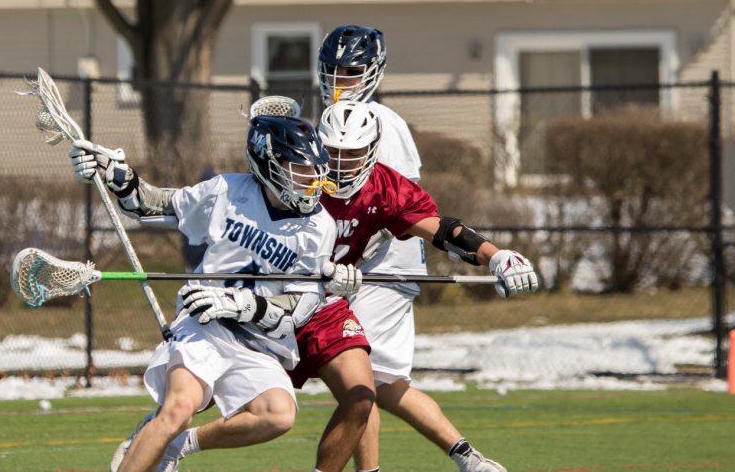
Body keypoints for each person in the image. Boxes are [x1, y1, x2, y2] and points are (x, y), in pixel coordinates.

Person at [177, 99, 538, 472]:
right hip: (268, 304)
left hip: (324, 308)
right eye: (332, 151)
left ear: (373, 149)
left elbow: (443, 231)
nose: (341, 162)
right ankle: (168, 441)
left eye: (353, 153)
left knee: (362, 394)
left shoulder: (385, 188)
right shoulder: (298, 175)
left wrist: (495, 255)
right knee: (200, 394)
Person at [69, 115, 352, 472]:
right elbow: (155, 205)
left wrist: (244, 305)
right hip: (204, 322)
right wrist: (119, 177)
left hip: (257, 340)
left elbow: (299, 306)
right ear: (268, 163)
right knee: (179, 408)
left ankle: (179, 444)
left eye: (315, 172)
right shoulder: (226, 192)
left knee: (278, 414)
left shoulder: (319, 226)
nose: (312, 182)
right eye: (300, 171)